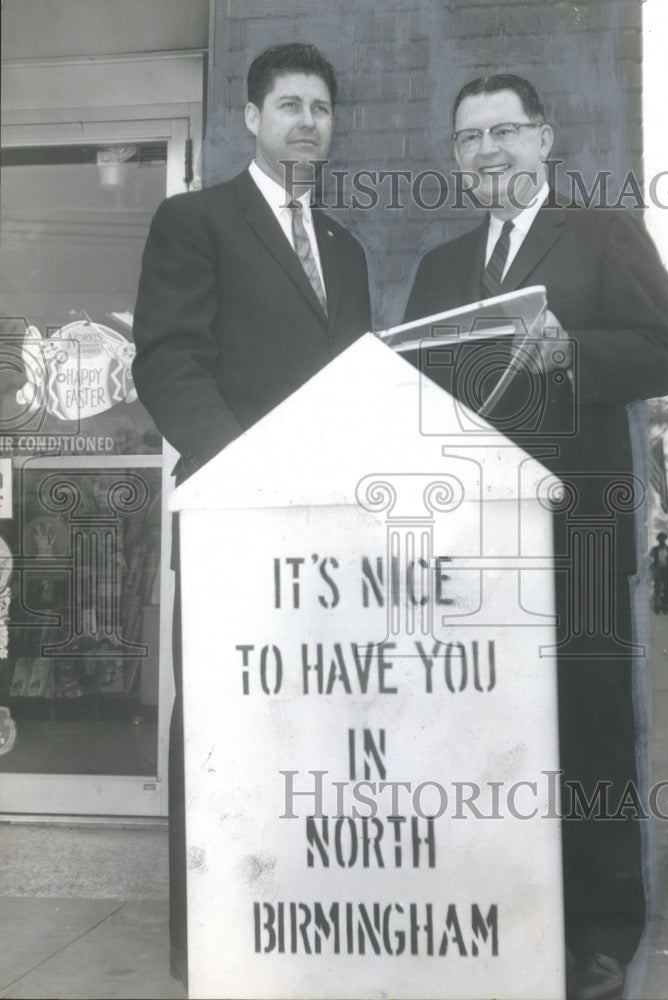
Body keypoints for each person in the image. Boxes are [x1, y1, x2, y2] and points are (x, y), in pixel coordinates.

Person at [404, 74, 668, 1000]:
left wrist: (577, 350)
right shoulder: (440, 267)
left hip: (582, 530)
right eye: (468, 138)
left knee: (591, 732)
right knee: (479, 731)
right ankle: (498, 917)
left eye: (504, 131)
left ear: (544, 140)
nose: (487, 151)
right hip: (473, 541)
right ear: (455, 159)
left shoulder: (606, 235)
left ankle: (601, 938)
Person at [131, 43, 371, 987]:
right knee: (226, 731)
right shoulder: (194, 221)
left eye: (320, 107)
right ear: (250, 118)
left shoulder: (346, 249)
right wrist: (249, 474)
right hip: (236, 521)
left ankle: (298, 921)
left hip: (330, 539)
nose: (306, 122)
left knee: (312, 727)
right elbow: (169, 361)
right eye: (288, 106)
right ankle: (210, 936)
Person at [649, 532, 668, 613]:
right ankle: (657, 607)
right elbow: (650, 562)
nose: (661, 540)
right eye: (660, 539)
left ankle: (665, 608)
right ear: (658, 540)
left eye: (663, 539)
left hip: (667, 572)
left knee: (666, 590)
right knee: (657, 590)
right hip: (658, 572)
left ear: (665, 539)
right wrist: (653, 570)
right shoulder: (654, 550)